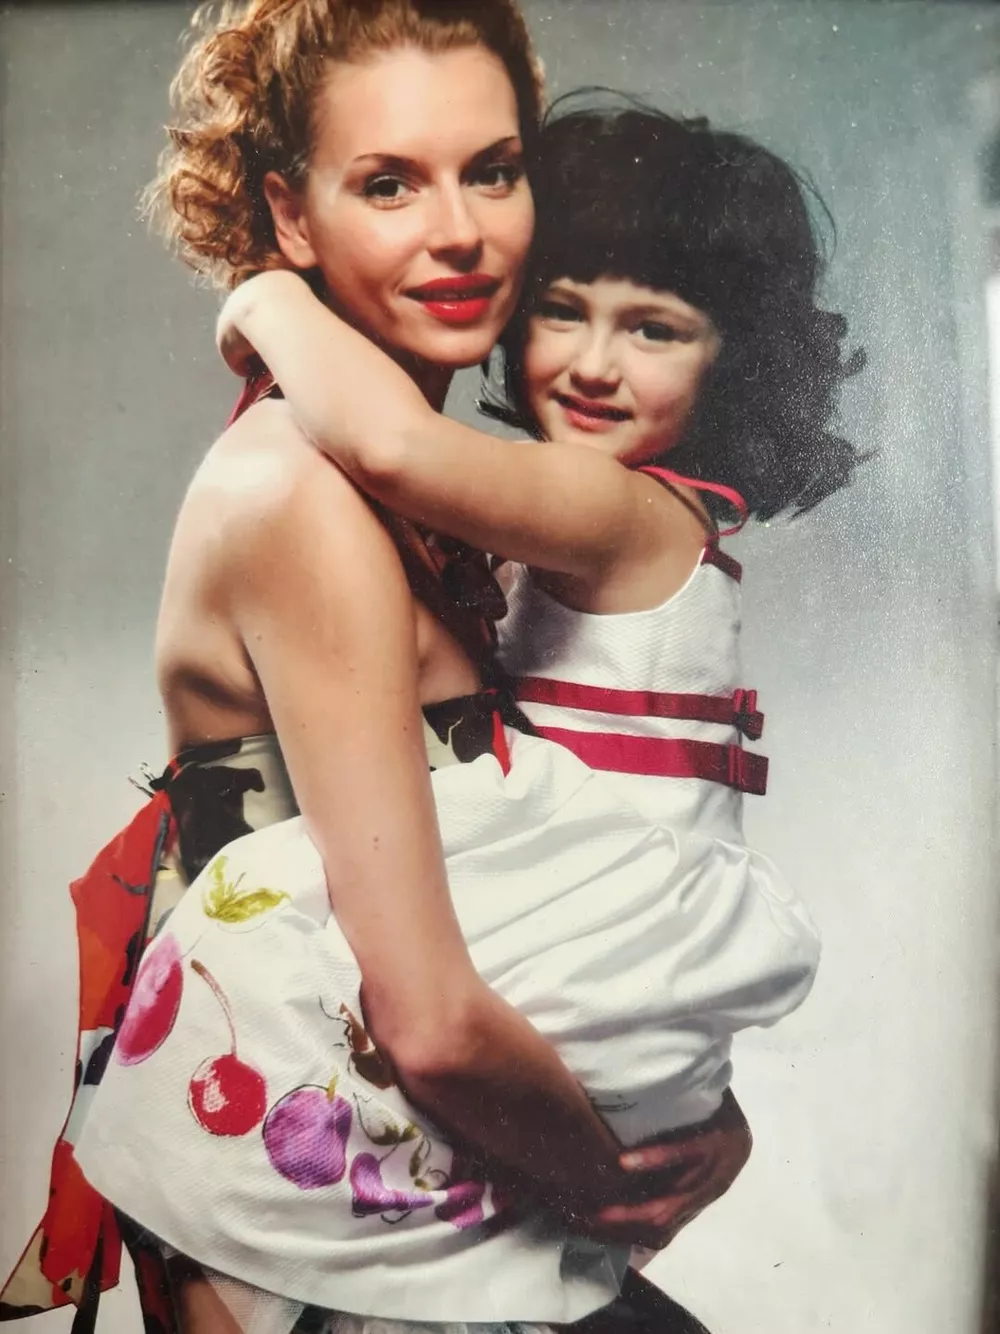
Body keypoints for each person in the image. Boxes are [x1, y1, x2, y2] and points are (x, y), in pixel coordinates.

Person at [0, 8, 753, 1334]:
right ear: (291, 214)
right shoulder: (307, 494)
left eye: (493, 171)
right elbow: (435, 1023)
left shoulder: (436, 494)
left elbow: (538, 900)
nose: (460, 232)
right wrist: (624, 1181)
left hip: (410, 1205)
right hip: (317, 1249)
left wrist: (694, 1112)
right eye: (391, 183)